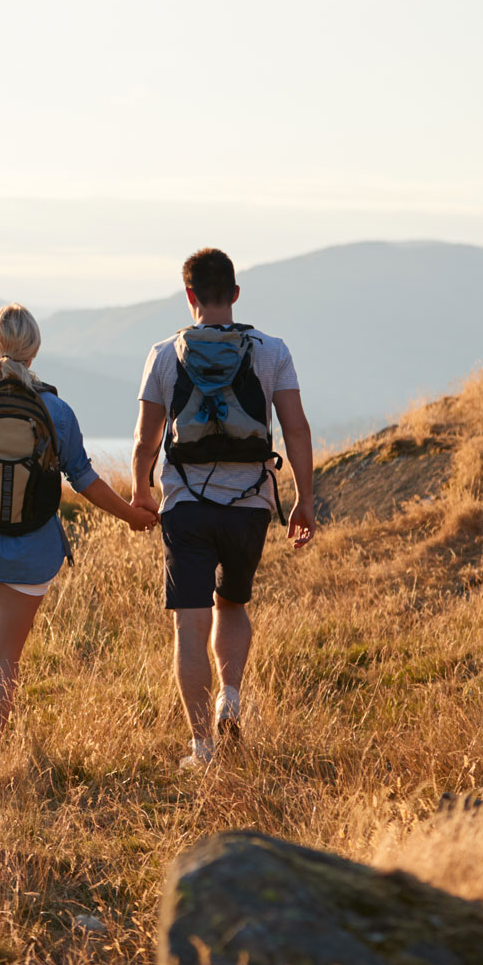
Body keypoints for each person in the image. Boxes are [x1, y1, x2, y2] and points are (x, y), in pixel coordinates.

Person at [0, 303, 158, 757]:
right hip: (32, 550)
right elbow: (84, 479)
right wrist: (132, 515)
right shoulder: (56, 409)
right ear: (35, 349)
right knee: (5, 656)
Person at [129, 248, 316, 770]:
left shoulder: (164, 354)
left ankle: (202, 749)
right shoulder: (271, 350)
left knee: (190, 624)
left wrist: (143, 493)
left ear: (189, 295)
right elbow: (296, 428)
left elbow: (146, 441)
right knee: (231, 604)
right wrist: (302, 499)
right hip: (251, 505)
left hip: (185, 505)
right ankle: (228, 696)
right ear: (235, 294)